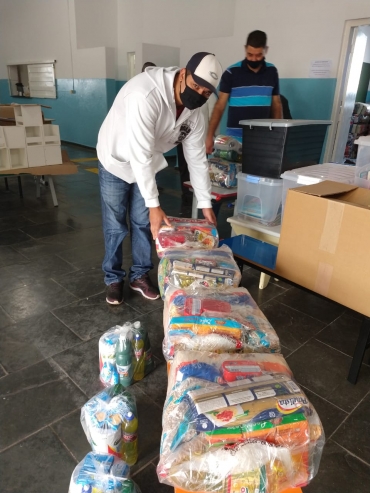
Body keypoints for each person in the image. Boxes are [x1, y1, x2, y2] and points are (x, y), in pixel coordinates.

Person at [97, 52, 222, 305]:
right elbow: (139, 154)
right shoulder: (144, 94)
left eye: (206, 92)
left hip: (147, 161)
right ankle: (113, 278)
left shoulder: (197, 110)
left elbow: (196, 158)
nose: (199, 94)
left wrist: (205, 203)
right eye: (196, 85)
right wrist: (155, 204)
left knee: (145, 222)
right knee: (116, 223)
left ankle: (139, 275)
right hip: (117, 160)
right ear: (184, 74)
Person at [206, 30, 282, 153]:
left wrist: (278, 134)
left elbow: (276, 105)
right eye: (250, 54)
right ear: (245, 49)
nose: (254, 59)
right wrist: (209, 136)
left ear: (265, 50)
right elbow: (220, 106)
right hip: (235, 141)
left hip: (262, 139)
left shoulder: (271, 72)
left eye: (258, 55)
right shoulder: (231, 73)